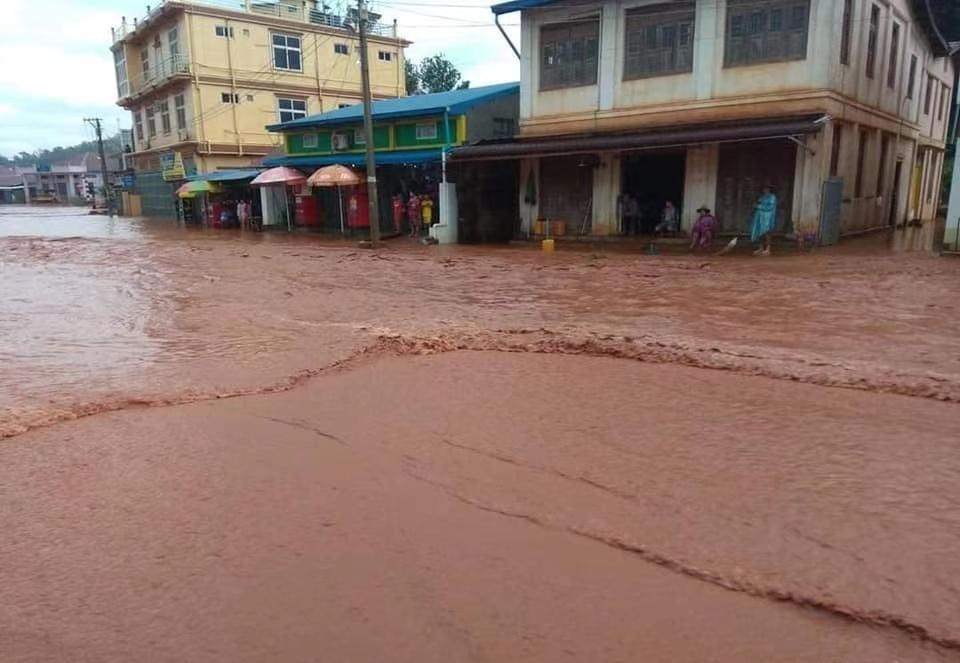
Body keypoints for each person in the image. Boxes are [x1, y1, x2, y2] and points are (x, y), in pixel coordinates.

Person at [750, 185, 778, 255]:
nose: (765, 190)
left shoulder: (772, 197)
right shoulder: (762, 197)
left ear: (769, 189)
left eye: (766, 188)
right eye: (764, 188)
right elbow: (757, 203)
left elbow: (770, 207)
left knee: (767, 233)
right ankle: (760, 248)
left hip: (767, 218)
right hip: (760, 217)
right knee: (759, 233)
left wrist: (758, 206)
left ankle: (768, 249)